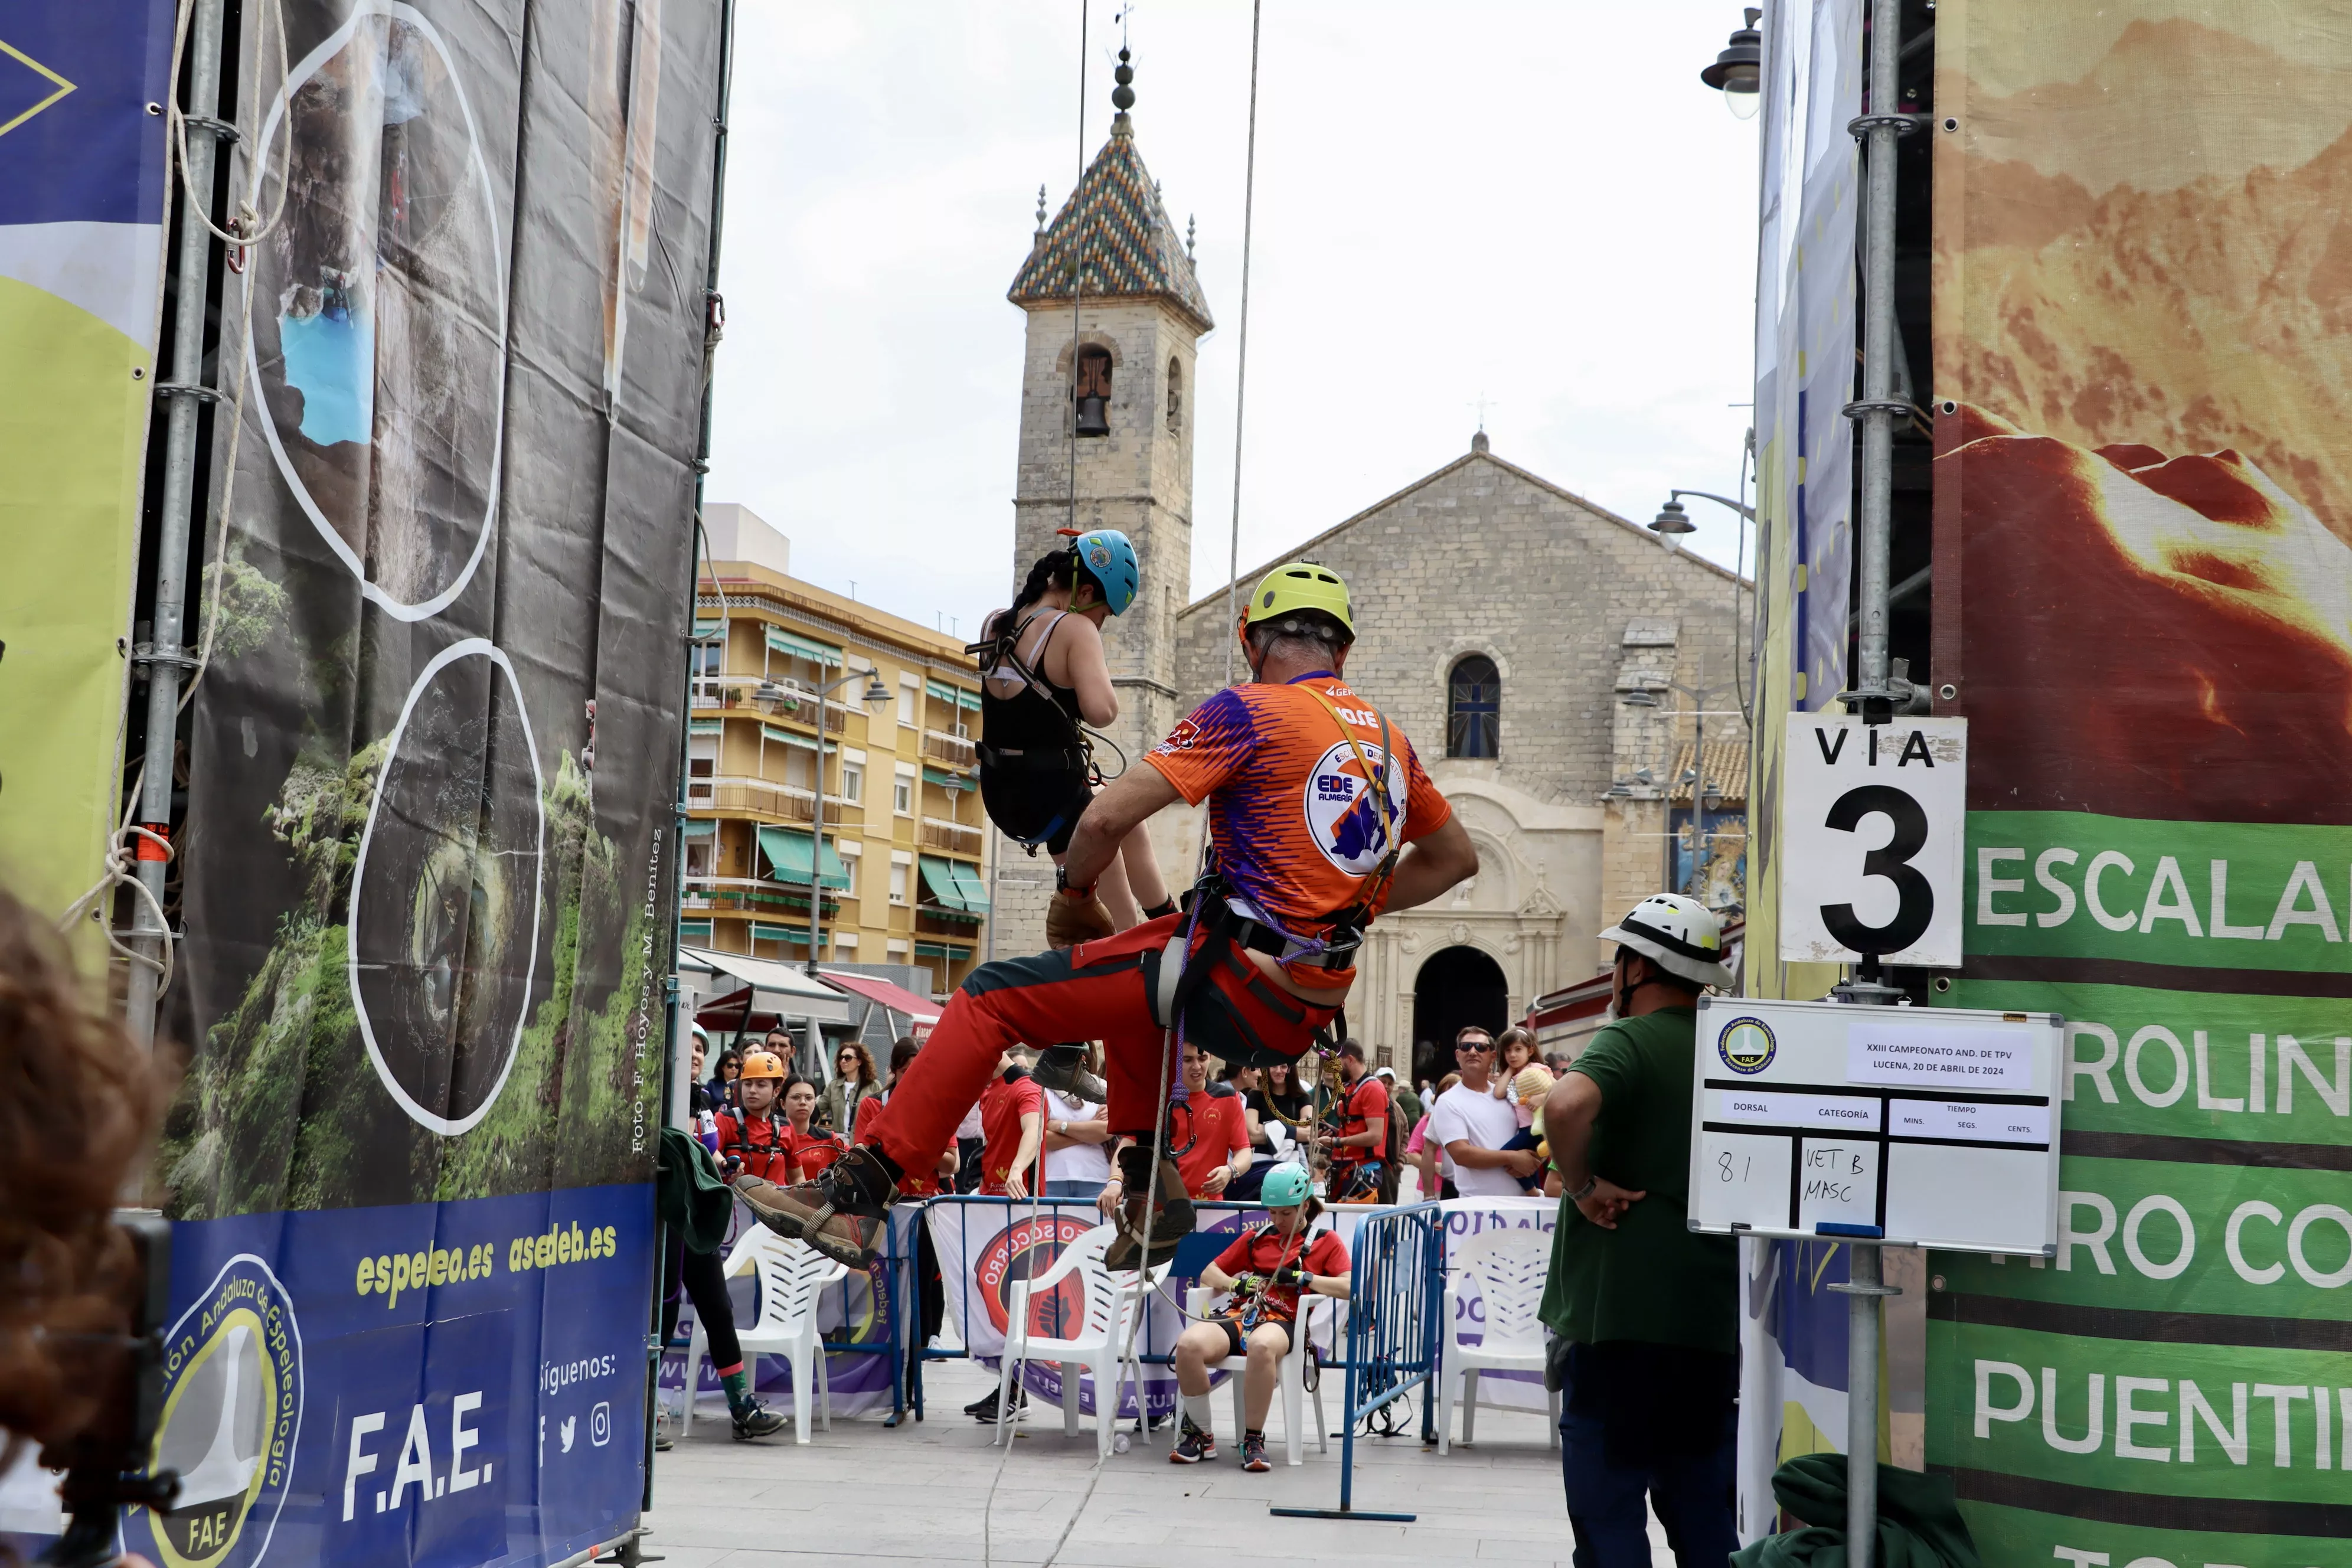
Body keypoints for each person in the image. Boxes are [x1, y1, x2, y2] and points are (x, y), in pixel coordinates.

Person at [733, 559, 1479, 1269]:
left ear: (1252, 641)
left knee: (990, 996)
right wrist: (1353, 904)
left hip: (1234, 981)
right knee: (1141, 967)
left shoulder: (1246, 709)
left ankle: (857, 1196)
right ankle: (1153, 1186)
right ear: (1341, 650)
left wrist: (1075, 897)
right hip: (1307, 1002)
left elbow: (1100, 822)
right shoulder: (1391, 742)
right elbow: (1455, 859)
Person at [1540, 894, 1739, 1565]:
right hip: (1709, 1324)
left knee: (1609, 1522)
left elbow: (1564, 1104)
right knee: (1704, 1520)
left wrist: (1583, 1186)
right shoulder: (1731, 1044)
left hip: (1618, 1319)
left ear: (1637, 967)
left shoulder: (1628, 1039)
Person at [971, 532, 1174, 927]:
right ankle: (1151, 935)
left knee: (1128, 814)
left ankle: (1164, 915)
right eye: (1105, 613)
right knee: (1116, 919)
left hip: (1001, 793)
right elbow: (1103, 712)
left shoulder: (995, 623)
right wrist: (1087, 661)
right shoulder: (1075, 630)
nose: (1102, 624)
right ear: (1083, 595)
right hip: (1055, 801)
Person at [1167, 1165, 1351, 1471]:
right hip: (1244, 1312)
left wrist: (1305, 1278)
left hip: (1285, 1320)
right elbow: (1209, 1273)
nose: (1277, 1221)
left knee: (1261, 1345)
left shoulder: (1326, 1241)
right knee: (1188, 1346)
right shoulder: (1257, 1238)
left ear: (1306, 1205)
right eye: (1272, 1213)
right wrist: (1236, 1284)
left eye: (1286, 1214)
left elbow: (1348, 1286)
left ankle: (1253, 1438)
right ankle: (1201, 1434)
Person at [1114, 1043, 1248, 1203]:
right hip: (1159, 1204)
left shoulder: (1228, 1098)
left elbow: (1244, 1151)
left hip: (1209, 1204)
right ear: (1174, 1060)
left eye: (1202, 1058)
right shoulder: (1157, 1098)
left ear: (1211, 1057)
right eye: (1187, 1060)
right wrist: (1114, 1182)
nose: (1197, 1066)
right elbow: (1128, 1144)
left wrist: (1230, 1170)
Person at [1427, 1027, 1534, 1198]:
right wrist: (1513, 1158)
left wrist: (1535, 1159)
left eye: (1480, 1047)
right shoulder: (1448, 1101)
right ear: (1457, 1055)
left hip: (1522, 1203)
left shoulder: (1509, 1093)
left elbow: (1534, 1125)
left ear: (1492, 1057)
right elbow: (1462, 1154)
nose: (1472, 1051)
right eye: (1466, 1046)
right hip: (1477, 1208)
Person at [1312, 1040, 1389, 1203]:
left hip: (1363, 1173)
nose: (1332, 1067)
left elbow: (1376, 1136)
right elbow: (1354, 1127)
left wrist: (1336, 1141)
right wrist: (1332, 1132)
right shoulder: (1349, 1087)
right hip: (1343, 1171)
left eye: (1336, 1062)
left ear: (1350, 1060)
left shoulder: (1372, 1089)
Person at [976, 1048, 1046, 1198]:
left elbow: (1034, 1130)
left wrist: (1017, 1169)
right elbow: (992, 1144)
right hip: (989, 1195)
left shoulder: (1027, 1085)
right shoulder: (988, 1091)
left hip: (1021, 1195)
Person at [716, 1050, 795, 1182]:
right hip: (734, 1201)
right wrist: (725, 1165)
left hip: (774, 1202)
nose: (752, 1090)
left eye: (761, 1084)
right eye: (747, 1084)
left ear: (776, 1091)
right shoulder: (724, 1120)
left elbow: (797, 1177)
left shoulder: (786, 1127)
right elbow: (710, 1153)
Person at [779, 1075, 848, 1181]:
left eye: (809, 1098)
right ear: (783, 1103)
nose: (803, 1102)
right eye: (796, 1097)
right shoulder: (773, 1137)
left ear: (815, 1103)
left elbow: (856, 1161)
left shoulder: (829, 1140)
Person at [819, 1039, 884, 1135]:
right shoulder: (833, 1086)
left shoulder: (873, 1086)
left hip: (863, 1143)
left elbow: (883, 1115)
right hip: (839, 1143)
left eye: (848, 1058)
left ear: (859, 1062)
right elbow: (818, 1110)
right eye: (841, 1058)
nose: (843, 1061)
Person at [707, 1046, 743, 1111]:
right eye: (730, 1065)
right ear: (722, 1067)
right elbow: (706, 1108)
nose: (734, 1069)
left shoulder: (743, 1085)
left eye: (737, 1066)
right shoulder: (712, 1085)